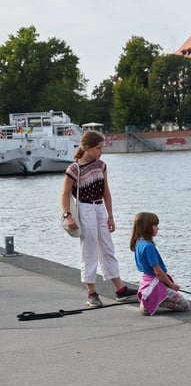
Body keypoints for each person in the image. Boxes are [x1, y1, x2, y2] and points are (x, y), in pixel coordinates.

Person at [60, 130, 137, 307]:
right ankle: (91, 292)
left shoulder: (101, 165)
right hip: (85, 208)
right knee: (89, 249)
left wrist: (110, 216)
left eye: (102, 148)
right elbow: (64, 194)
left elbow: (106, 192)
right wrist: (68, 215)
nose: (100, 152)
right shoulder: (74, 169)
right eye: (97, 148)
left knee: (107, 247)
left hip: (99, 208)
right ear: (86, 147)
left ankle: (120, 289)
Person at [130, 212, 190, 316]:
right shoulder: (149, 247)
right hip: (154, 283)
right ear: (147, 227)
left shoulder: (139, 243)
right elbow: (158, 272)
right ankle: (157, 301)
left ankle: (150, 301)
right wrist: (171, 285)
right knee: (185, 304)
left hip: (146, 281)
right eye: (155, 226)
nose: (157, 228)